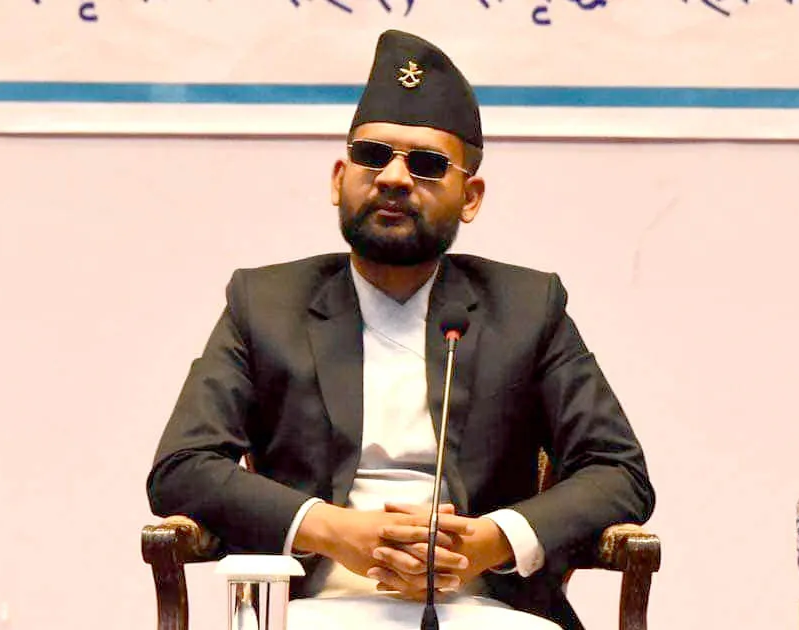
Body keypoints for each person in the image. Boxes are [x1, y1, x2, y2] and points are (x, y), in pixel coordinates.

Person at [146, 29, 654, 630]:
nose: (392, 177)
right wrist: (331, 529)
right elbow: (182, 465)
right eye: (372, 155)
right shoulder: (265, 304)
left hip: (487, 606)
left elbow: (618, 471)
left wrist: (493, 540)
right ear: (338, 178)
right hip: (310, 607)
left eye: (427, 164)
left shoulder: (526, 307)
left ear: (471, 196)